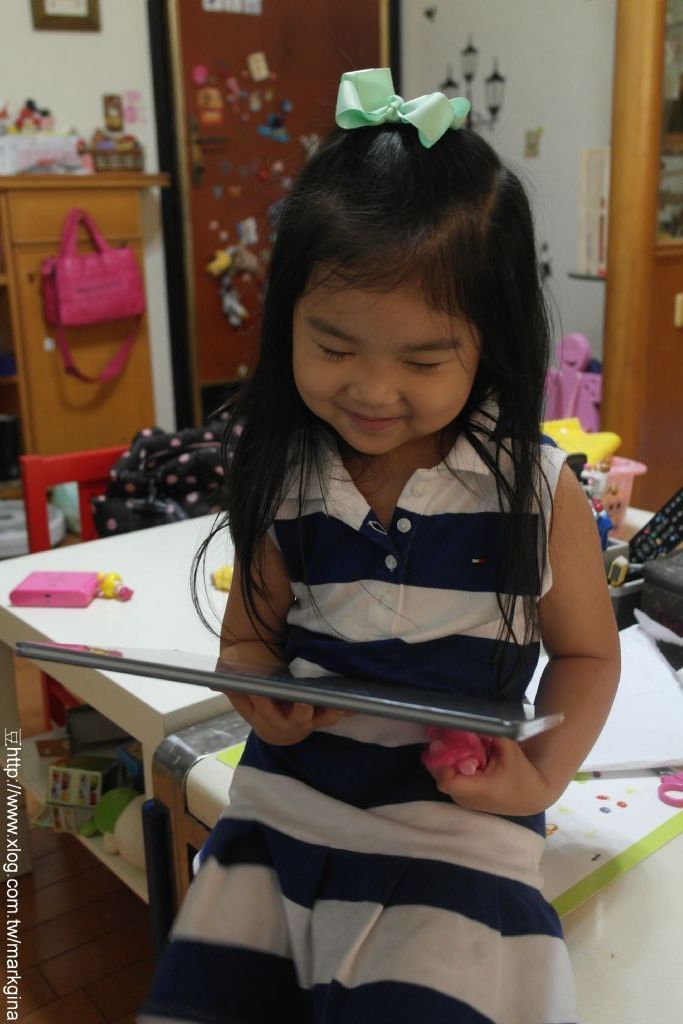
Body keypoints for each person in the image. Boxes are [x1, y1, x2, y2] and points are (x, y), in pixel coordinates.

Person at [141, 68, 620, 1024]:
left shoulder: (533, 490)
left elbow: (587, 655)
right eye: (332, 347)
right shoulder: (286, 471)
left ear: (489, 342)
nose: (370, 389)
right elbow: (249, 642)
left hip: (457, 829)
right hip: (286, 809)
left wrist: (538, 776)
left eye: (423, 359)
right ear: (287, 322)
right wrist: (261, 697)